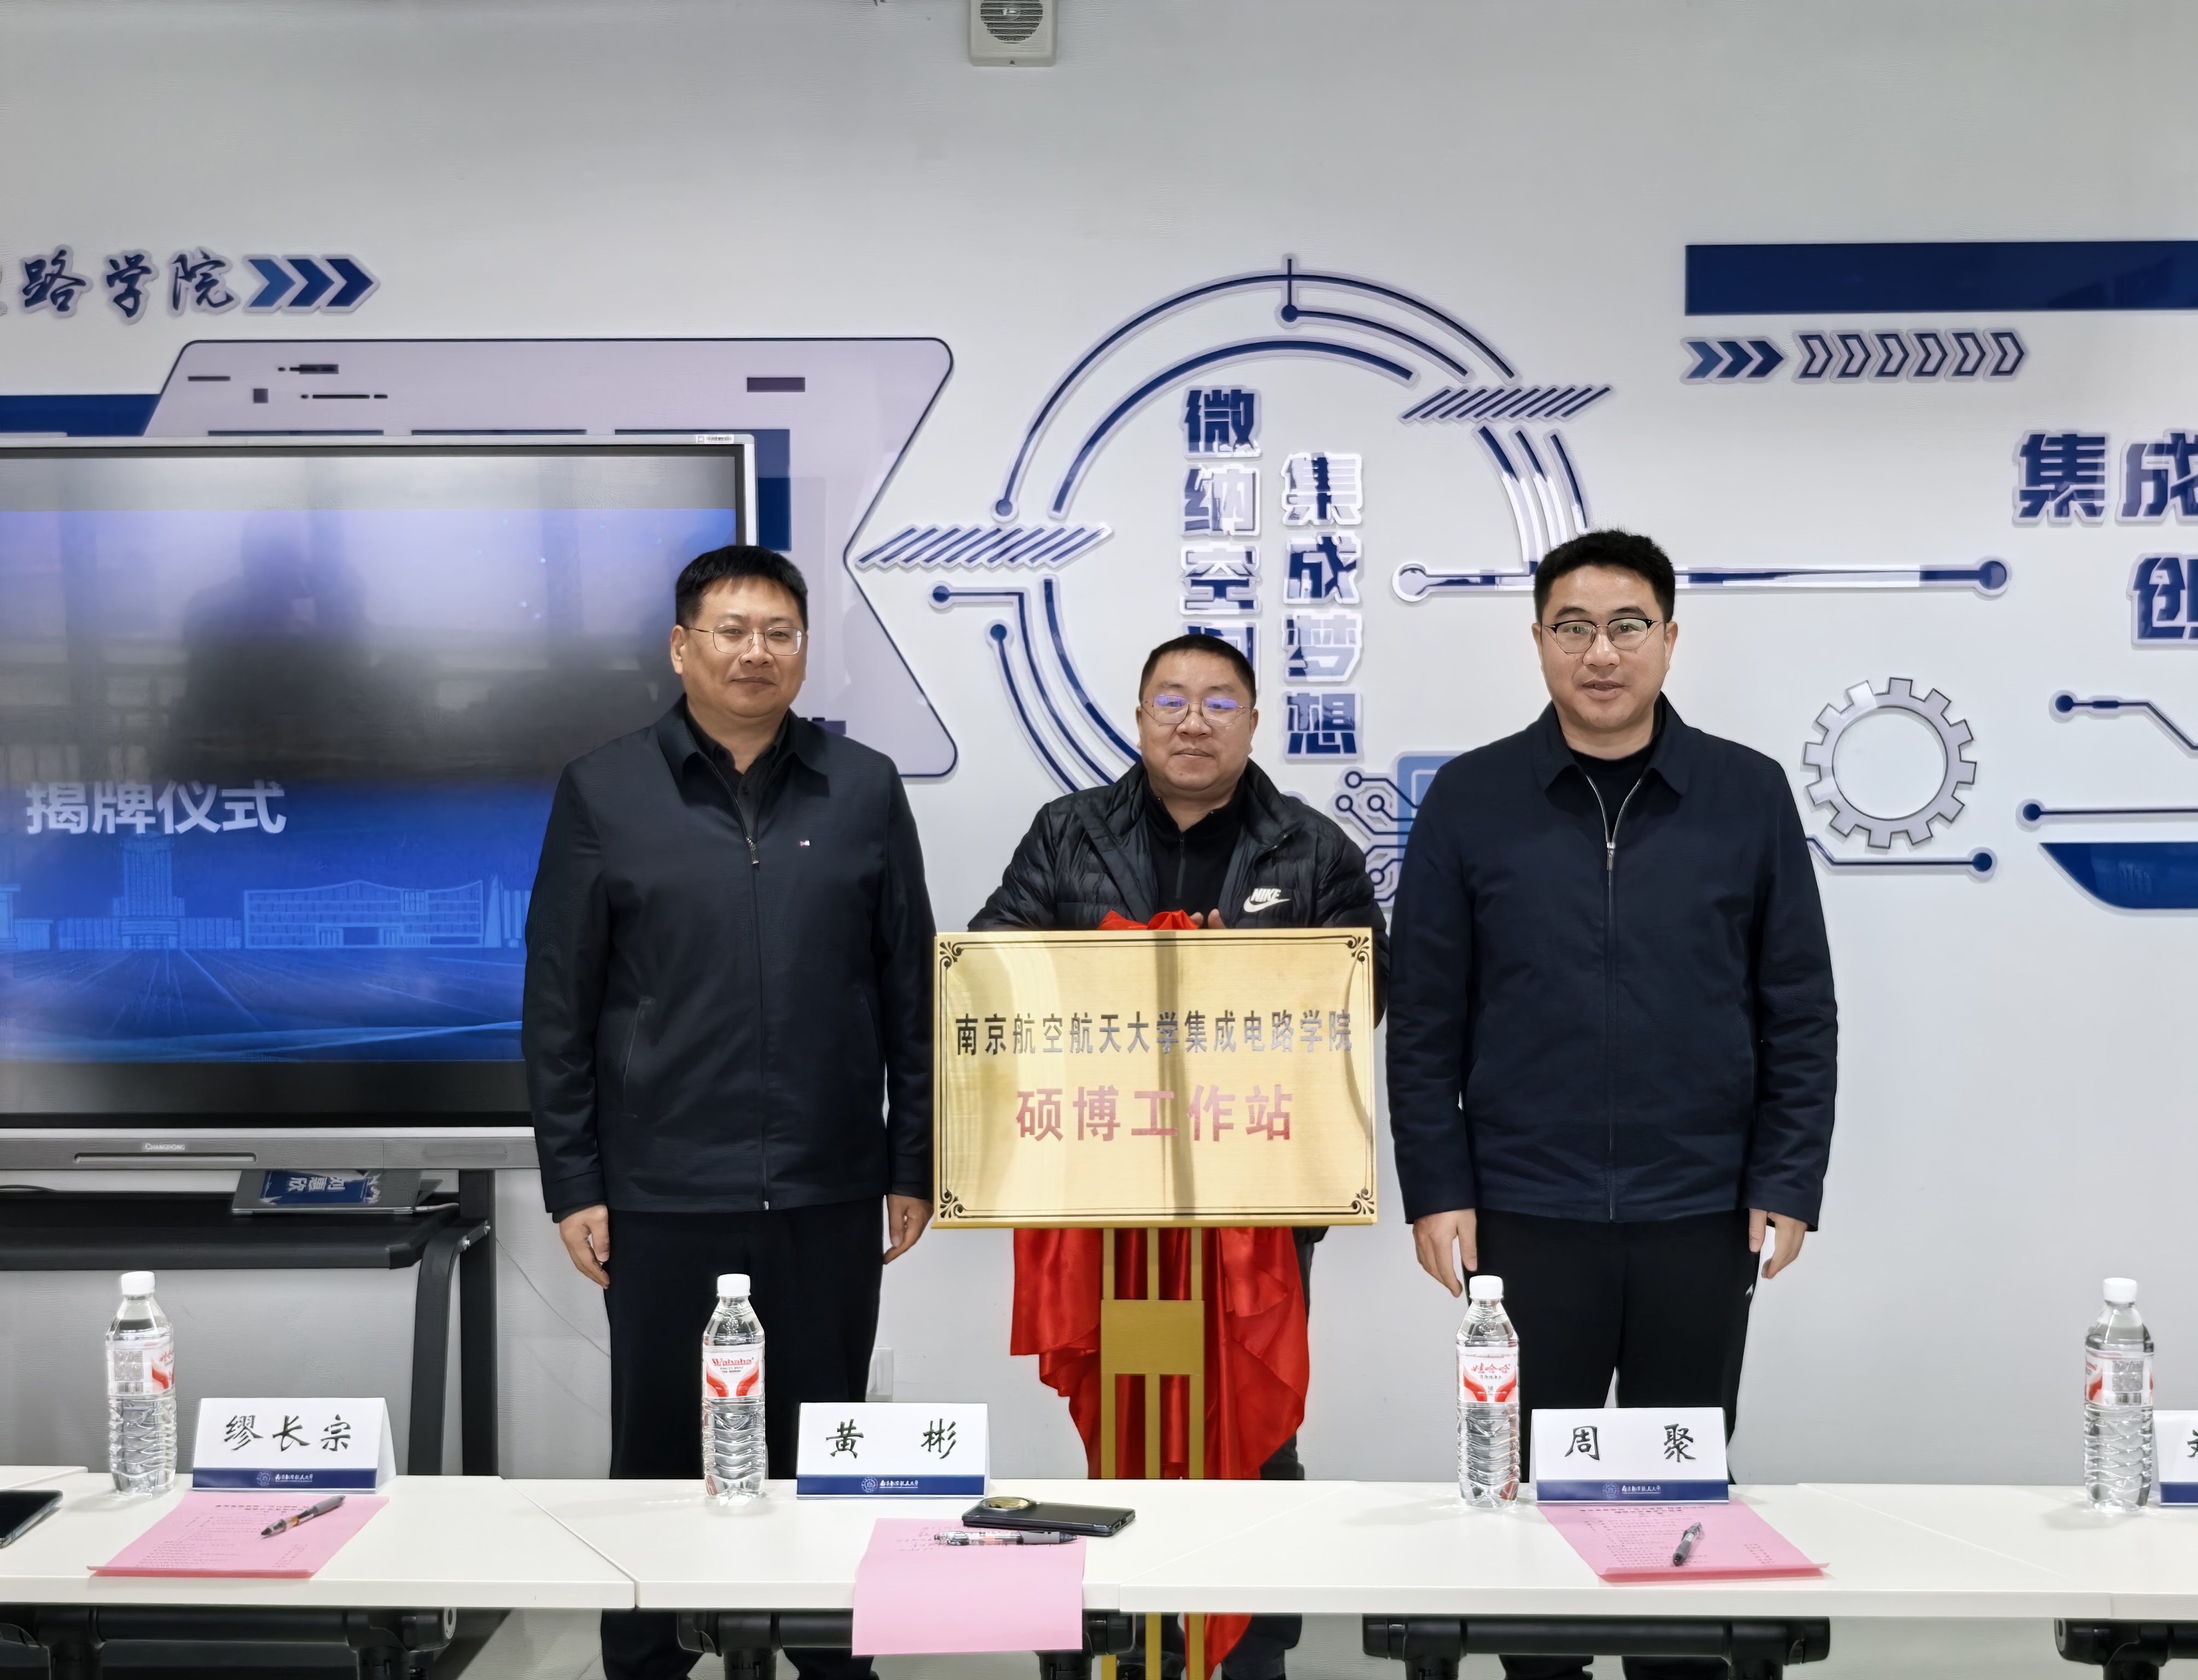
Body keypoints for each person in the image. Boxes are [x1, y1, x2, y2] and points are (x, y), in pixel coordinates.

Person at [1387, 530, 1837, 1680]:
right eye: (1574, 628)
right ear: (1538, 641)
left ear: (1670, 639)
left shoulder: (1745, 794)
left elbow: (1797, 1007)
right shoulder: (1471, 799)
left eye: (1627, 626)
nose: (1601, 653)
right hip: (1522, 1211)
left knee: (1677, 1496)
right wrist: (1436, 1187)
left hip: (1700, 1206)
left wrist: (1785, 1179)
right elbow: (1425, 1017)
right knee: (1533, 1496)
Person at [524, 544, 935, 1680]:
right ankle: (648, 1660)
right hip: (662, 1190)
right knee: (660, 1455)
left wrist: (911, 1162)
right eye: (732, 630)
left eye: (780, 633)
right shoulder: (605, 789)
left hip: (827, 1184)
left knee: (825, 1448)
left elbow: (910, 987)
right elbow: (558, 1003)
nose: (757, 652)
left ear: (803, 650)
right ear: (681, 646)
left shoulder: (862, 788)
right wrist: (575, 1183)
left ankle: (830, 1656)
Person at [972, 632, 1384, 1680]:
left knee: (1252, 1416)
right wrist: (1126, 963)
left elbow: (1363, 996)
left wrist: (1229, 976)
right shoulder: (1066, 833)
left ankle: (1250, 1648)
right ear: (1139, 717)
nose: (1193, 721)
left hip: (1255, 1198)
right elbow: (990, 967)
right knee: (1124, 1417)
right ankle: (1121, 1639)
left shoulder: (1314, 849)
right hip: (1106, 1197)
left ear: (1254, 721)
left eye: (1218, 702)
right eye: (1171, 700)